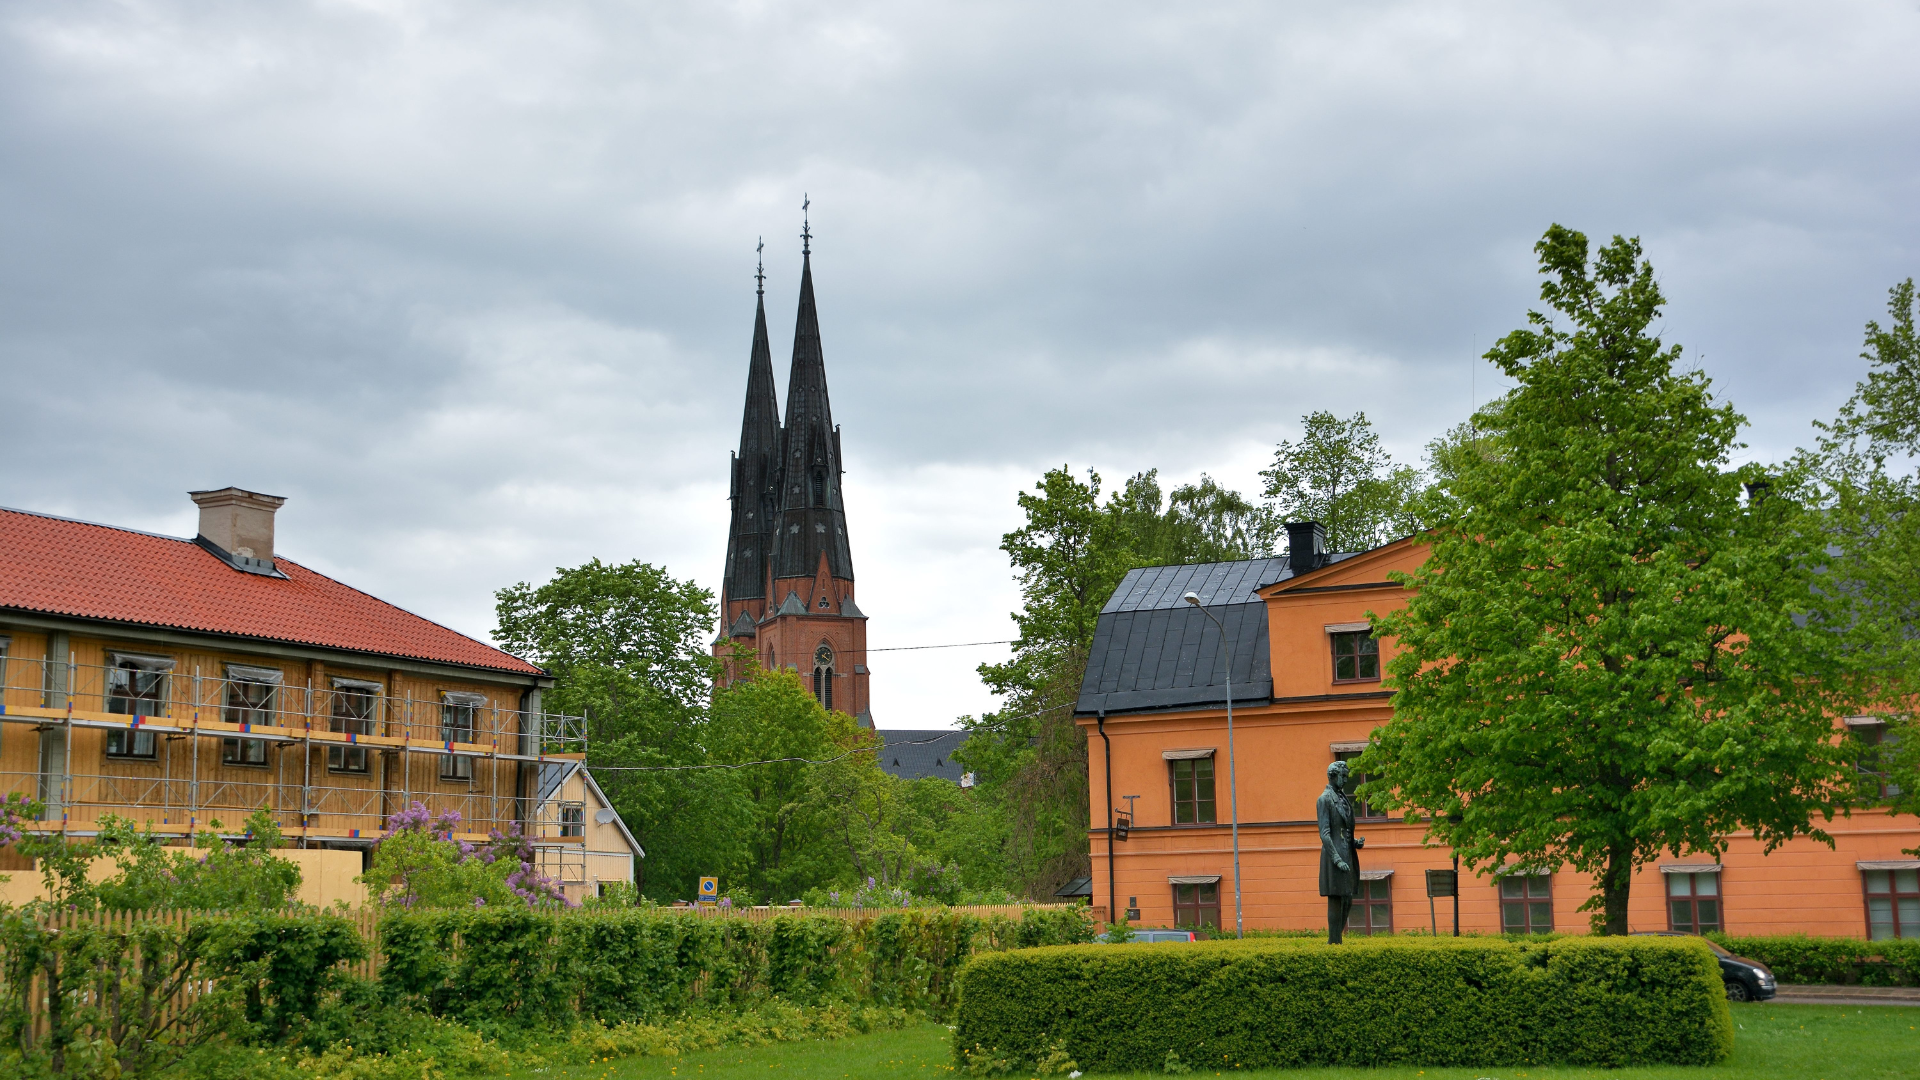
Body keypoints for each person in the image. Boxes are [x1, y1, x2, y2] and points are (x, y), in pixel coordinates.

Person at [1317, 760, 1365, 943]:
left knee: (1348, 900)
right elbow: (1325, 833)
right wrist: (1336, 859)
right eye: (1342, 776)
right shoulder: (1324, 799)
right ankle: (1334, 940)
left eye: (1346, 776)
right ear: (1332, 776)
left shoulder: (1342, 797)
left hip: (1348, 855)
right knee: (1337, 900)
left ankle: (1337, 940)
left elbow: (1343, 830)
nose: (1345, 780)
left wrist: (1354, 842)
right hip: (1333, 857)